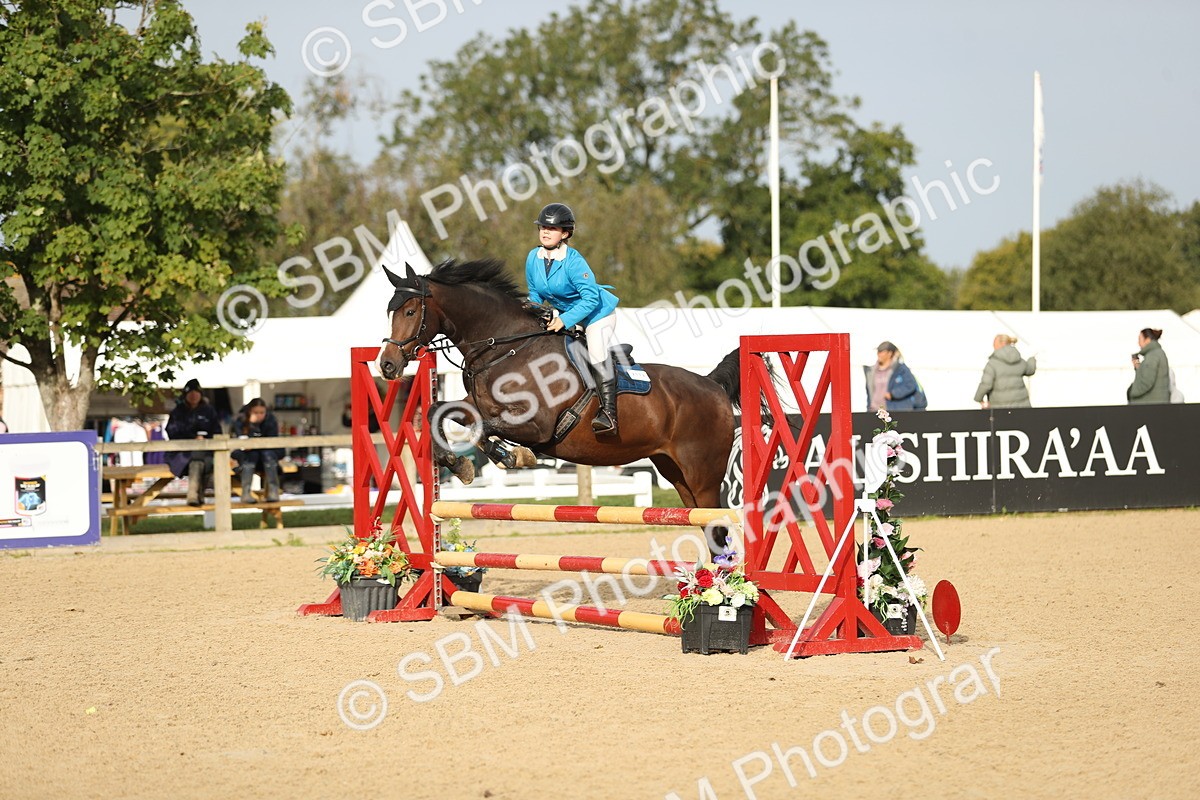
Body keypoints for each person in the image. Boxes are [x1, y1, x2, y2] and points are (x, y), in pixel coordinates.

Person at [524, 202, 622, 435]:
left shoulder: (574, 261)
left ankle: (609, 414)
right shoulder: (533, 257)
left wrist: (564, 320)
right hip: (567, 314)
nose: (545, 232)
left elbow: (589, 299)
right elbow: (535, 294)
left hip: (598, 314)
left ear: (565, 233)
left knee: (597, 352)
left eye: (552, 228)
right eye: (543, 227)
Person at [166, 378, 222, 506]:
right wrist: (192, 438)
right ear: (185, 395)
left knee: (206, 461)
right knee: (196, 460)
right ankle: (193, 494)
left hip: (206, 451)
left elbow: (217, 431)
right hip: (182, 454)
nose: (193, 396)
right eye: (190, 393)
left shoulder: (209, 411)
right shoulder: (177, 412)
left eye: (196, 393)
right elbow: (172, 432)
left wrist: (206, 438)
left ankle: (197, 494)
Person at [232, 398, 283, 503]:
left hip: (267, 454)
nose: (259, 415)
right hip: (247, 455)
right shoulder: (241, 420)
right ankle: (246, 492)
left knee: (268, 454)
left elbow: (273, 441)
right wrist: (252, 426)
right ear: (250, 411)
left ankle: (273, 491)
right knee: (251, 456)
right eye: (256, 412)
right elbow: (240, 440)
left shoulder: (270, 420)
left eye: (261, 412)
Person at [974, 334, 1037, 408]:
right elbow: (1030, 370)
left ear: (1000, 344)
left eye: (994, 343)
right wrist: (1032, 358)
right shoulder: (1019, 360)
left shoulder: (992, 363)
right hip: (1022, 407)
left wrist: (979, 399)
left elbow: (986, 384)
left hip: (1000, 408)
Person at [864, 341, 927, 412]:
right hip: (875, 411)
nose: (879, 354)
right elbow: (870, 391)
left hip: (893, 411)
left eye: (882, 351)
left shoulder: (901, 369)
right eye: (878, 351)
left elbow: (910, 385)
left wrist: (893, 394)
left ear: (889, 353)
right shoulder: (871, 371)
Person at [1128, 328, 1171, 404]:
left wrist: (1132, 392)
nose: (1138, 343)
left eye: (1140, 339)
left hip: (1150, 404)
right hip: (1158, 403)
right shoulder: (1157, 353)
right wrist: (1138, 367)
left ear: (1147, 340)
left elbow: (1146, 382)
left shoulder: (1152, 356)